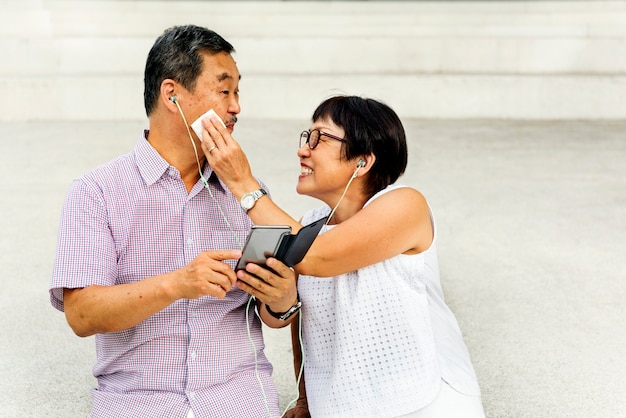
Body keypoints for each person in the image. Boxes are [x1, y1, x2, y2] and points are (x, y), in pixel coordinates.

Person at [49, 25, 300, 418]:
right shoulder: (96, 191)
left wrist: (282, 300)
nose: (236, 107)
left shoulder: (248, 193)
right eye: (224, 90)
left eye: (238, 93)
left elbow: (270, 314)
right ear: (172, 95)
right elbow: (81, 314)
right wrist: (176, 284)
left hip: (239, 399)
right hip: (138, 403)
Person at [199, 95, 485, 417]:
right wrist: (305, 398)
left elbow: (317, 258)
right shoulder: (307, 224)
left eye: (319, 138)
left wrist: (241, 182)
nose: (303, 149)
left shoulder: (406, 204)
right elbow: (298, 325)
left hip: (425, 402)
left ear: (362, 161)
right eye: (307, 136)